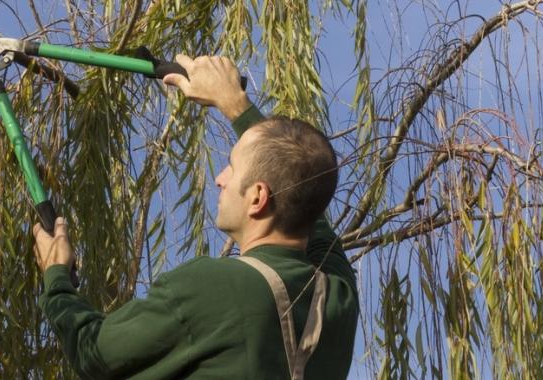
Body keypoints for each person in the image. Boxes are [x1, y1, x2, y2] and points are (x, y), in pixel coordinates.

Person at [32, 55, 359, 379]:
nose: (221, 178)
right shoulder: (336, 299)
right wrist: (234, 103)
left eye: (231, 165)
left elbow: (94, 354)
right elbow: (304, 191)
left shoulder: (214, 287)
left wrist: (57, 277)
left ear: (258, 197)